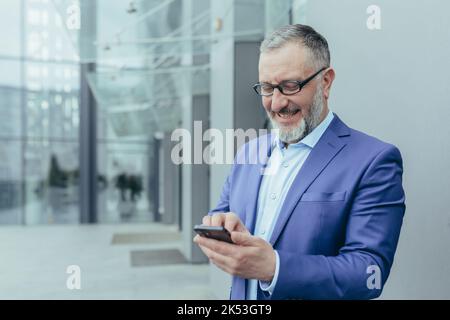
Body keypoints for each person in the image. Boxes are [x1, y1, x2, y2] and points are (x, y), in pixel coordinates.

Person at [194, 24, 405, 300]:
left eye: (290, 86)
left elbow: (369, 273)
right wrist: (221, 225)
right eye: (267, 88)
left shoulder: (374, 161)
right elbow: (223, 213)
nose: (277, 102)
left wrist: (275, 268)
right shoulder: (248, 153)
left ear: (326, 82)